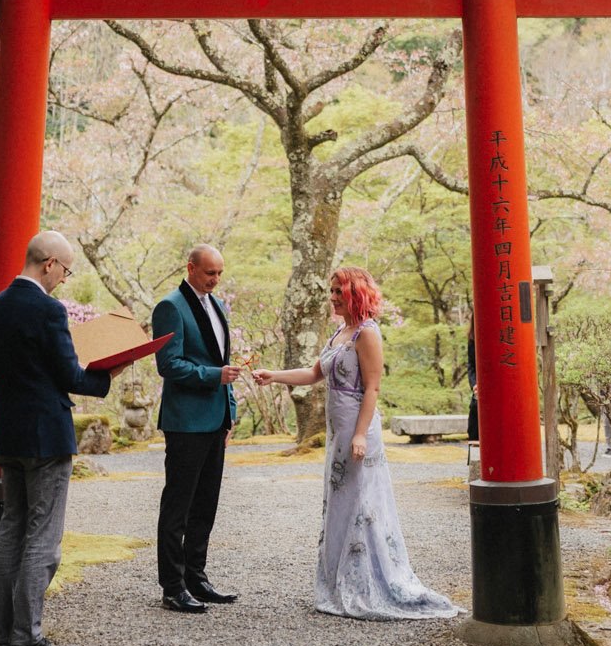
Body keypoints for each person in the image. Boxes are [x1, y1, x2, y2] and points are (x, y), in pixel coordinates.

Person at [254, 266, 459, 620]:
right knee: (341, 504)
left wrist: (361, 433)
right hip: (338, 430)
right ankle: (338, 582)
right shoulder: (339, 332)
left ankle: (368, 583)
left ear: (355, 294)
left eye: (338, 291)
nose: (332, 297)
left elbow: (373, 388)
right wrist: (274, 376)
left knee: (362, 504)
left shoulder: (367, 334)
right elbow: (313, 374)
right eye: (331, 291)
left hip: (357, 429)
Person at [0, 230, 113, 646]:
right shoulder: (49, 310)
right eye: (65, 270)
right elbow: (71, 375)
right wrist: (109, 373)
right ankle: (28, 641)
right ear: (49, 264)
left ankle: (1, 640)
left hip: (8, 433)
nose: (63, 279)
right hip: (46, 437)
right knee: (43, 538)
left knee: (10, 534)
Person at [152, 243, 241, 613]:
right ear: (190, 267)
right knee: (178, 505)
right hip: (186, 421)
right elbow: (168, 365)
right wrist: (213, 377)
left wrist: (230, 409)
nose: (216, 280)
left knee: (206, 503)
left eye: (220, 273)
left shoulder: (216, 305)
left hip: (216, 419)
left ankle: (197, 577)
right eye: (209, 273)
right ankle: (172, 586)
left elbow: (225, 361)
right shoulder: (170, 306)